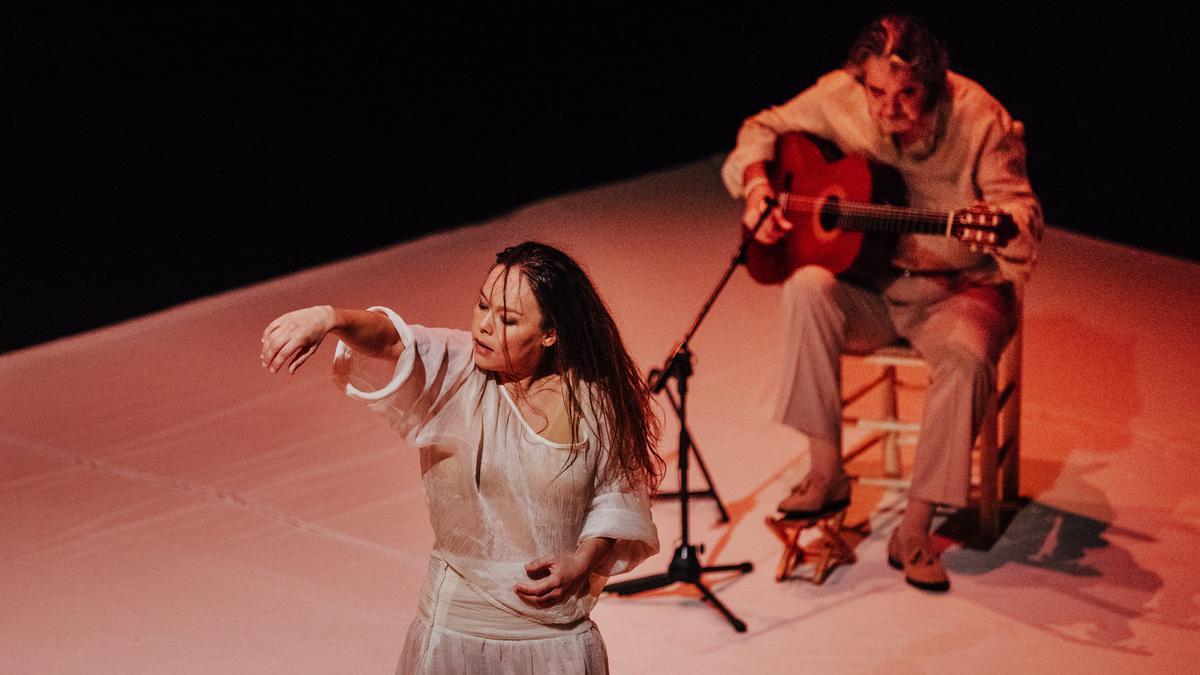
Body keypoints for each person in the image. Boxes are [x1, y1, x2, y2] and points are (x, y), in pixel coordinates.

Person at [721, 14, 1042, 591]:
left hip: (957, 290)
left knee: (968, 360)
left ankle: (915, 527)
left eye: (909, 93)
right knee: (805, 287)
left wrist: (1004, 228)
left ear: (936, 82)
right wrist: (758, 189)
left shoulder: (980, 118)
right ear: (860, 81)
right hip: (875, 285)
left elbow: (1022, 217)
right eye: (877, 92)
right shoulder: (838, 96)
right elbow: (759, 129)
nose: (890, 108)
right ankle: (827, 474)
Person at [260, 241, 663, 674]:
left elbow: (615, 495)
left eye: (508, 319)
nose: (485, 327)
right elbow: (394, 339)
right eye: (482, 306)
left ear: (551, 333)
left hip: (556, 639)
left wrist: (583, 560)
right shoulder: (456, 370)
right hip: (456, 627)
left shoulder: (594, 404)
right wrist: (329, 317)